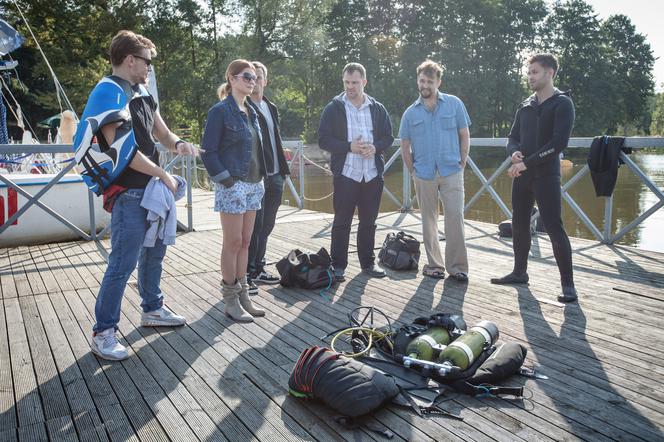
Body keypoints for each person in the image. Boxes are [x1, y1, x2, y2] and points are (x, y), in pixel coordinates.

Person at [87, 30, 196, 361]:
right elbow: (123, 149)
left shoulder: (142, 91)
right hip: (130, 192)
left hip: (151, 190)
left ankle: (152, 309)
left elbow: (161, 132)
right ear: (130, 59)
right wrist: (164, 174)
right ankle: (103, 332)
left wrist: (178, 144)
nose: (150, 67)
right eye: (147, 61)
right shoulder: (108, 91)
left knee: (155, 254)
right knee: (122, 264)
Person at [490, 53, 577, 303]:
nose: (530, 77)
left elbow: (558, 143)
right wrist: (513, 151)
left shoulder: (562, 104)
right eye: (528, 73)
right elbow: (512, 136)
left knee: (553, 227)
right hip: (523, 175)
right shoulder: (526, 105)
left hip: (546, 175)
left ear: (550, 73)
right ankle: (519, 272)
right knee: (519, 223)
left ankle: (568, 286)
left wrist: (526, 163)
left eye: (535, 72)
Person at [201, 59, 267, 322]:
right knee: (233, 242)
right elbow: (208, 152)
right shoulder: (220, 111)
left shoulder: (252, 111)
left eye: (254, 78)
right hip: (233, 184)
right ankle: (230, 299)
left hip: (254, 184)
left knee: (247, 241)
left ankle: (243, 295)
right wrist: (226, 181)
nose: (252, 81)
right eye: (246, 77)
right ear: (232, 78)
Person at [318, 62, 394, 281]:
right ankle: (338, 266)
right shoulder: (334, 108)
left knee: (369, 222)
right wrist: (348, 146)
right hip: (347, 174)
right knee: (342, 222)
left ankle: (368, 264)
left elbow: (388, 137)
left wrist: (375, 147)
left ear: (364, 82)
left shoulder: (377, 108)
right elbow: (323, 139)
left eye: (355, 82)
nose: (350, 87)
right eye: (347, 82)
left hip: (371, 174)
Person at [399, 60, 471, 281]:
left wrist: (462, 163)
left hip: (451, 171)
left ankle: (458, 268)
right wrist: (413, 171)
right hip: (424, 174)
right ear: (417, 81)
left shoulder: (454, 104)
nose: (425, 85)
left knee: (455, 218)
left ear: (438, 82)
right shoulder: (410, 113)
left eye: (430, 81)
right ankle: (435, 265)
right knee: (428, 222)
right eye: (422, 80)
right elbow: (405, 146)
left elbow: (464, 135)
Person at [245, 61, 290, 293]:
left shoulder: (270, 107)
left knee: (267, 225)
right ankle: (247, 272)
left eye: (259, 77)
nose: (255, 82)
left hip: (276, 175)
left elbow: (275, 140)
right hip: (257, 177)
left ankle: (259, 267)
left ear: (265, 81)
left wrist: (283, 169)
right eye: (251, 77)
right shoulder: (244, 109)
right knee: (255, 225)